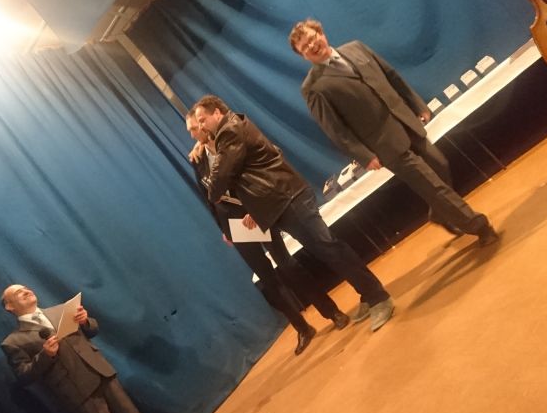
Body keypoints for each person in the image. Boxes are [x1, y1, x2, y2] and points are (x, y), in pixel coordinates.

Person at [191, 95, 394, 332]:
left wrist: (214, 187)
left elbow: (220, 179)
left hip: (289, 198)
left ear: (217, 113)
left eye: (202, 120)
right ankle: (367, 293)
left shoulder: (230, 131)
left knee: (329, 247)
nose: (201, 127)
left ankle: (378, 297)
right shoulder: (230, 130)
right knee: (326, 249)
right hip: (281, 201)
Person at [289, 18, 499, 246]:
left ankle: (439, 213)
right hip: (383, 144)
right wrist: (364, 156)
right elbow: (334, 130)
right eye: (305, 47)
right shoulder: (312, 88)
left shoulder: (356, 47)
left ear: (321, 33)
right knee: (432, 186)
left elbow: (391, 75)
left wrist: (417, 104)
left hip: (405, 122)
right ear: (303, 56)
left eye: (312, 38)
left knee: (440, 165)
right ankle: (479, 226)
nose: (312, 45)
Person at [186, 112, 352, 355]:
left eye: (196, 127)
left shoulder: (228, 141)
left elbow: (250, 175)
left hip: (257, 213)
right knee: (267, 279)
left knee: (288, 266)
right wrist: (224, 229)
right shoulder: (198, 159)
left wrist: (254, 210)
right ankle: (302, 328)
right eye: (191, 129)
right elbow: (209, 196)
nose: (193, 133)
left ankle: (331, 312)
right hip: (235, 226)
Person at [0, 284, 150, 413]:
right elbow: (24, 376)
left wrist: (85, 321)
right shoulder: (13, 342)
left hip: (102, 374)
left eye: (26, 288)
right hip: (77, 391)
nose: (26, 291)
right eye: (18, 293)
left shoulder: (63, 310)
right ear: (9, 306)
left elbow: (92, 331)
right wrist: (46, 355)